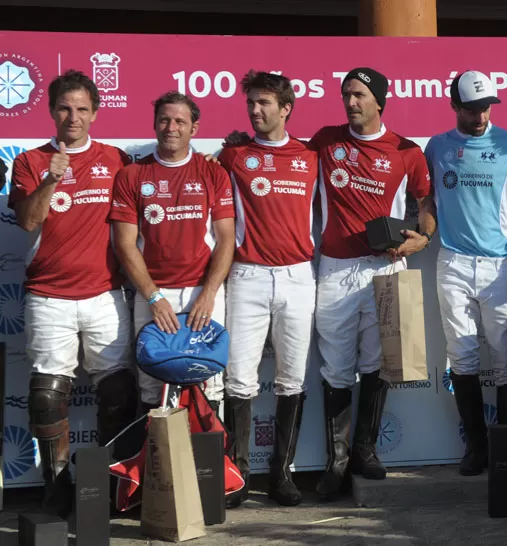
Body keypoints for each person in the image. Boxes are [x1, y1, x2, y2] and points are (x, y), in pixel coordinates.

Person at [9, 70, 137, 516]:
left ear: (96, 114)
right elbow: (27, 221)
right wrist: (50, 179)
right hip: (49, 296)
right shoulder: (28, 161)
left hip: (105, 293)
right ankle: (56, 485)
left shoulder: (117, 158)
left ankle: (107, 484)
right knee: (47, 394)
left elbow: (166, 174)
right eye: (65, 108)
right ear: (51, 111)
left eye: (83, 109)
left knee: (119, 390)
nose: (73, 117)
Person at [311, 68, 435, 501]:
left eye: (359, 95)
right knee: (335, 368)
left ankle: (365, 450)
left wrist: (422, 238)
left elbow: (426, 208)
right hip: (336, 268)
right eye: (346, 94)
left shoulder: (407, 151)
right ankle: (336, 463)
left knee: (380, 364)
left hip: (385, 270)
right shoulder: (324, 141)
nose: (351, 102)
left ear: (379, 101)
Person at [424, 71, 507, 478]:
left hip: (502, 265)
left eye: (486, 107)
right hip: (454, 263)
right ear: (454, 105)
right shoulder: (437, 147)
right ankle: (476, 448)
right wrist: (420, 233)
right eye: (471, 109)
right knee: (462, 357)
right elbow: (427, 201)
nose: (480, 116)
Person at [218, 71, 318, 508]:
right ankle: (237, 474)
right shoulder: (232, 155)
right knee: (238, 380)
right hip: (248, 276)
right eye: (251, 105)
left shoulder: (313, 157)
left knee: (291, 380)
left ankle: (282, 474)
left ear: (286, 108)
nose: (256, 111)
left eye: (264, 103)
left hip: (298, 276)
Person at [110, 91, 235, 411]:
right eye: (164, 120)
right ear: (154, 125)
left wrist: (209, 293)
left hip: (201, 294)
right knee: (152, 388)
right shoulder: (132, 175)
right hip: (153, 295)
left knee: (207, 384)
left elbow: (225, 240)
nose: (171, 127)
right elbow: (124, 244)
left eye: (180, 121)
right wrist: (152, 296)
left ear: (194, 128)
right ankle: (161, 461)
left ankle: (207, 462)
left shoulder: (213, 172)